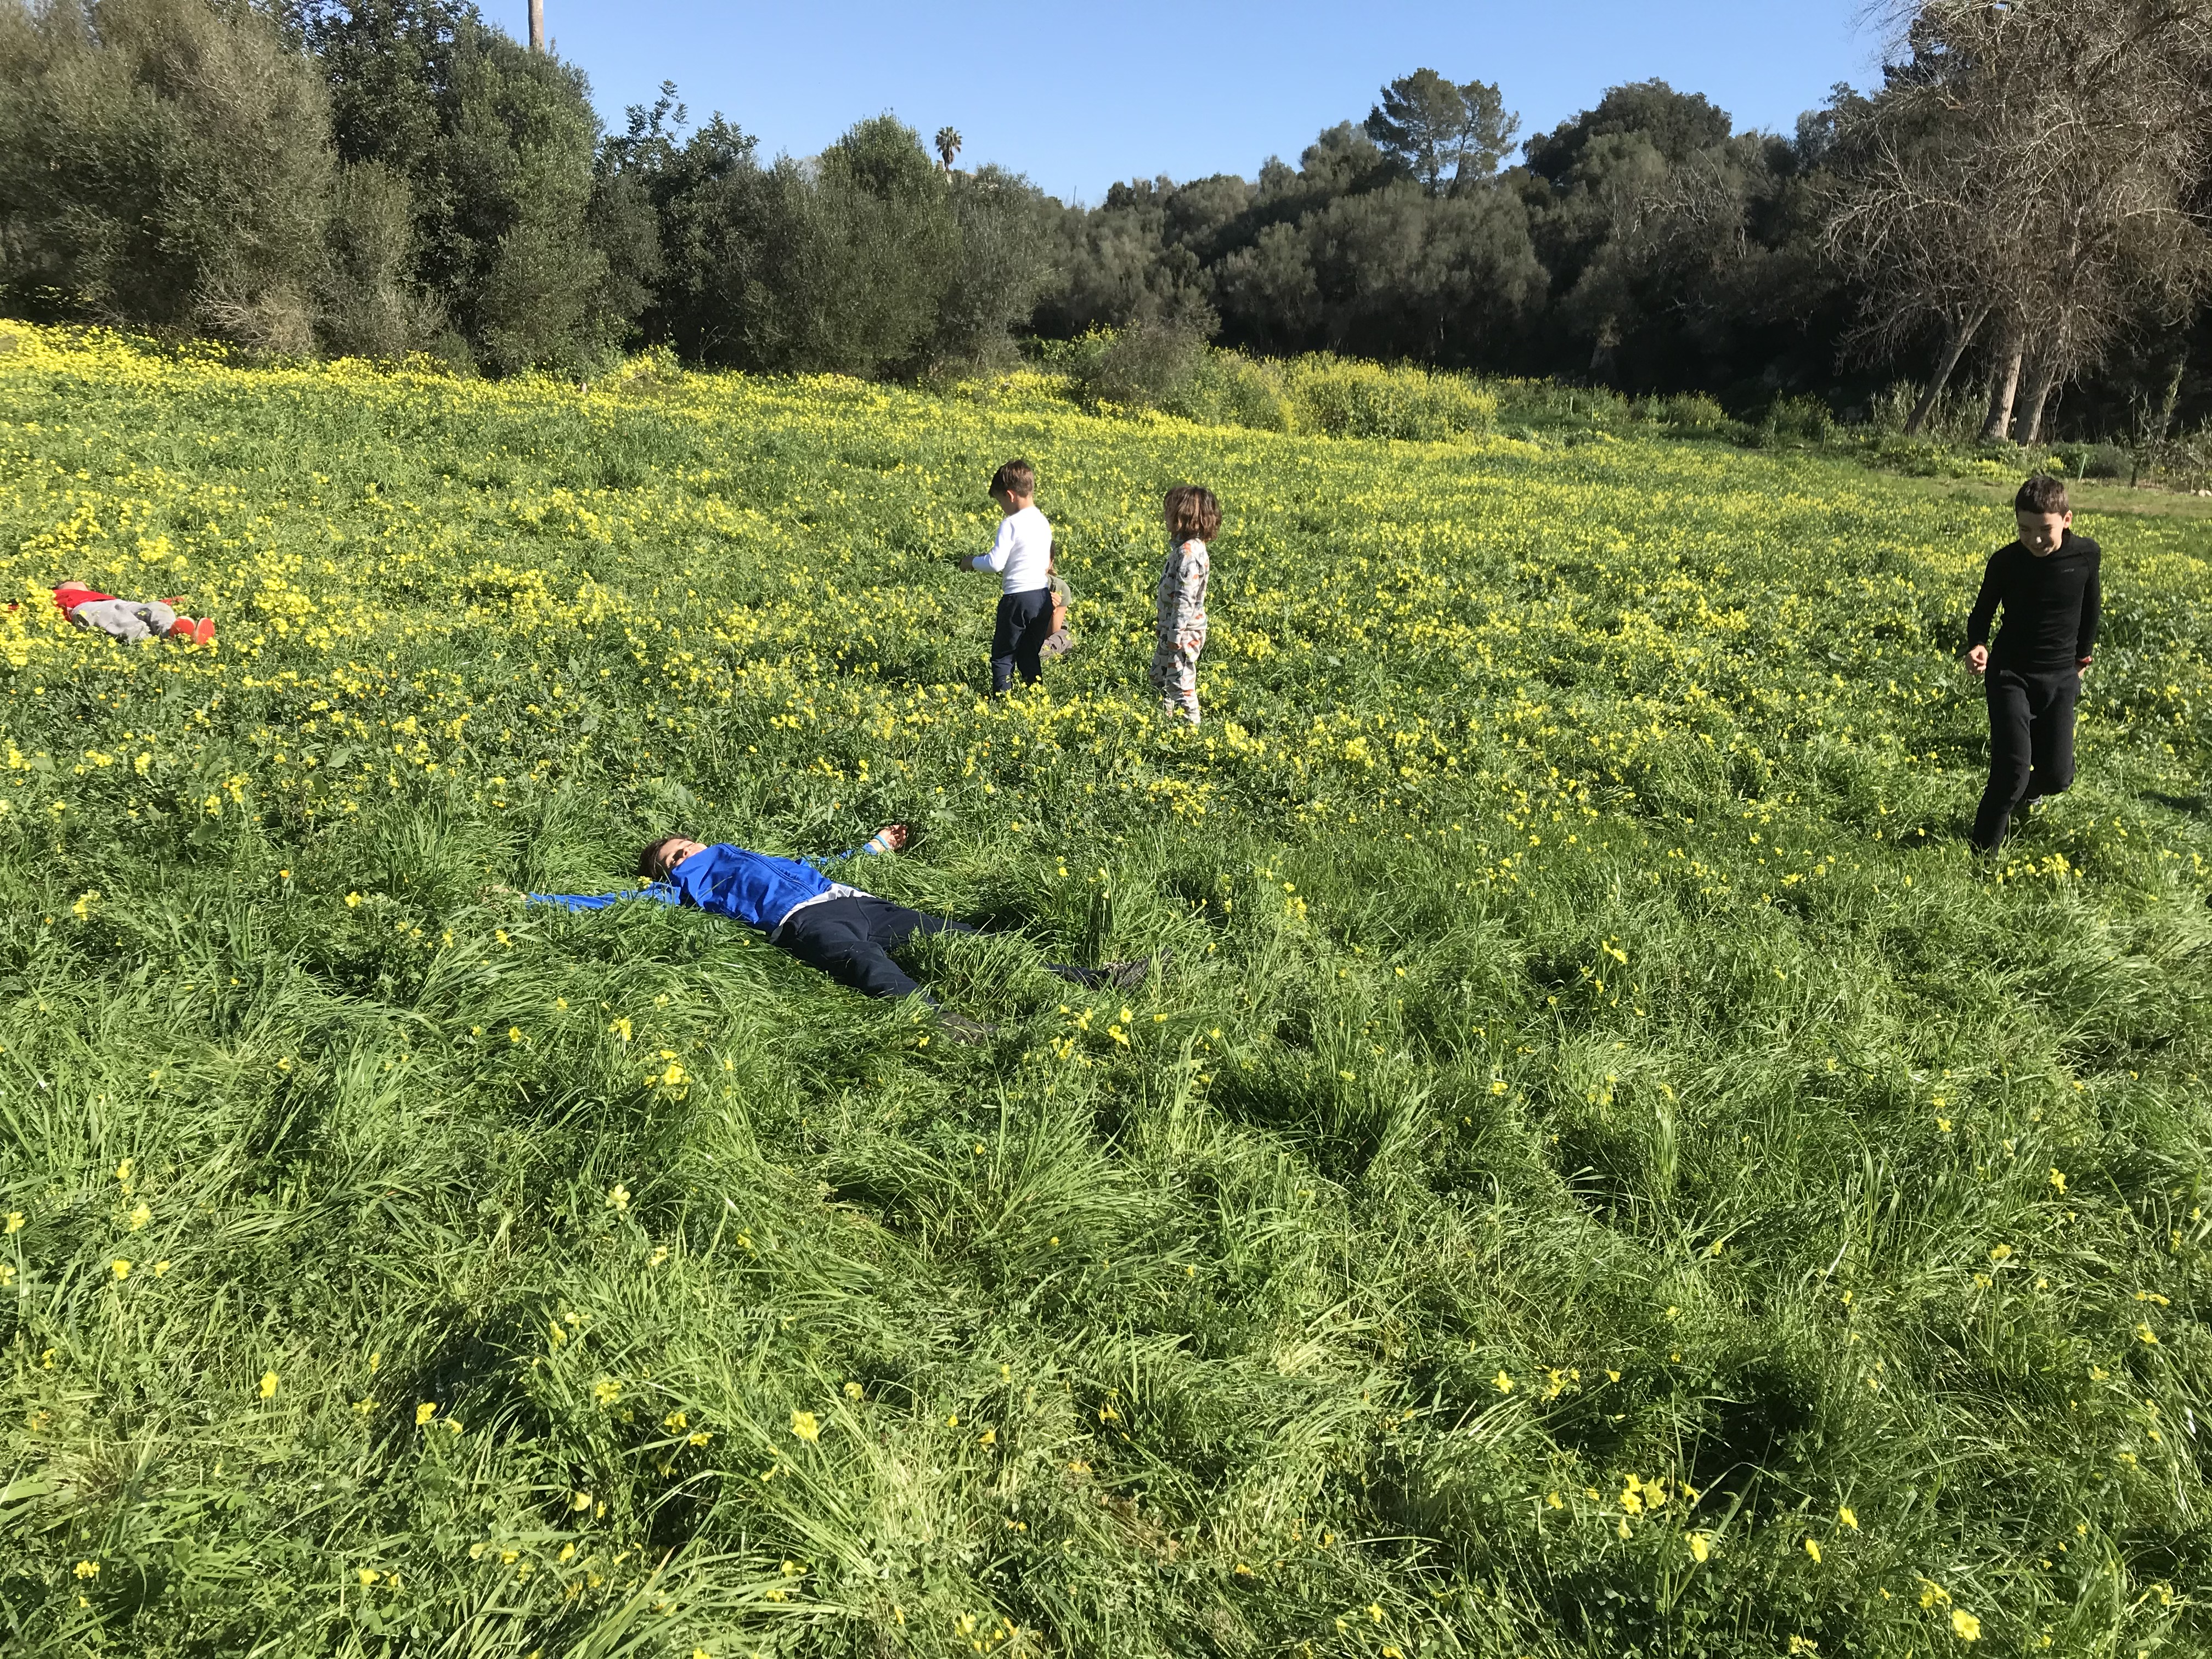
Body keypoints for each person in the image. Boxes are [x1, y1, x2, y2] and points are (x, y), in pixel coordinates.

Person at [526, 826, 1156, 1031]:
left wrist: (875, 847)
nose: (683, 856)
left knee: (970, 941)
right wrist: (535, 902)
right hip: (802, 924)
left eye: (683, 845)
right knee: (870, 971)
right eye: (671, 860)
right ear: (668, 878)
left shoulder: (749, 856)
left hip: (854, 897)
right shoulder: (689, 892)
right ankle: (950, 1026)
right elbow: (606, 903)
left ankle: (1096, 979)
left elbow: (816, 866)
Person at [1965, 473, 2100, 852]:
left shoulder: (2086, 556)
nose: (2035, 540)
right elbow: (1982, 612)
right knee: (2010, 773)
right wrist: (1977, 644)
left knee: (2058, 778)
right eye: (2024, 529)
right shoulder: (2006, 562)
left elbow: (2092, 608)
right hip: (2011, 674)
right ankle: (1981, 858)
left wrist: (2083, 656)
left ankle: (2027, 796)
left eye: (2045, 530)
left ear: (2067, 520)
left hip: (2061, 677)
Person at [955, 459, 1054, 693]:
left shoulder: (1011, 523)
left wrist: (971, 562)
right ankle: (1036, 694)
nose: (1001, 507)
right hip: (1041, 597)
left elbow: (995, 563)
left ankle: (1002, 699)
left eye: (1000, 502)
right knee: (1030, 652)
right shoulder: (1043, 522)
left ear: (1010, 496)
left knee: (1003, 654)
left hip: (1017, 599)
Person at [1151, 485, 1217, 725]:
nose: (1165, 518)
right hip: (1172, 629)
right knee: (1161, 678)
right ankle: (1165, 723)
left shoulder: (1189, 554)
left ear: (1182, 517)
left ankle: (1191, 731)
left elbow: (1185, 599)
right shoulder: (1184, 550)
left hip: (1183, 632)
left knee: (1181, 684)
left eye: (1169, 513)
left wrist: (1175, 634)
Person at [54, 580, 215, 645]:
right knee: (127, 623)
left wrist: (168, 602)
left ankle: (172, 634)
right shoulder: (56, 597)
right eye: (72, 582)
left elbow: (142, 608)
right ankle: (173, 643)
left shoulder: (96, 594)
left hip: (115, 602)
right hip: (85, 609)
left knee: (156, 608)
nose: (80, 583)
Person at [1041, 543, 1077, 661]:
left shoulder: (1059, 587)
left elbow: (1053, 631)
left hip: (1050, 635)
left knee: (1064, 638)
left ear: (1051, 563)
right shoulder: (1017, 583)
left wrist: (1053, 611)